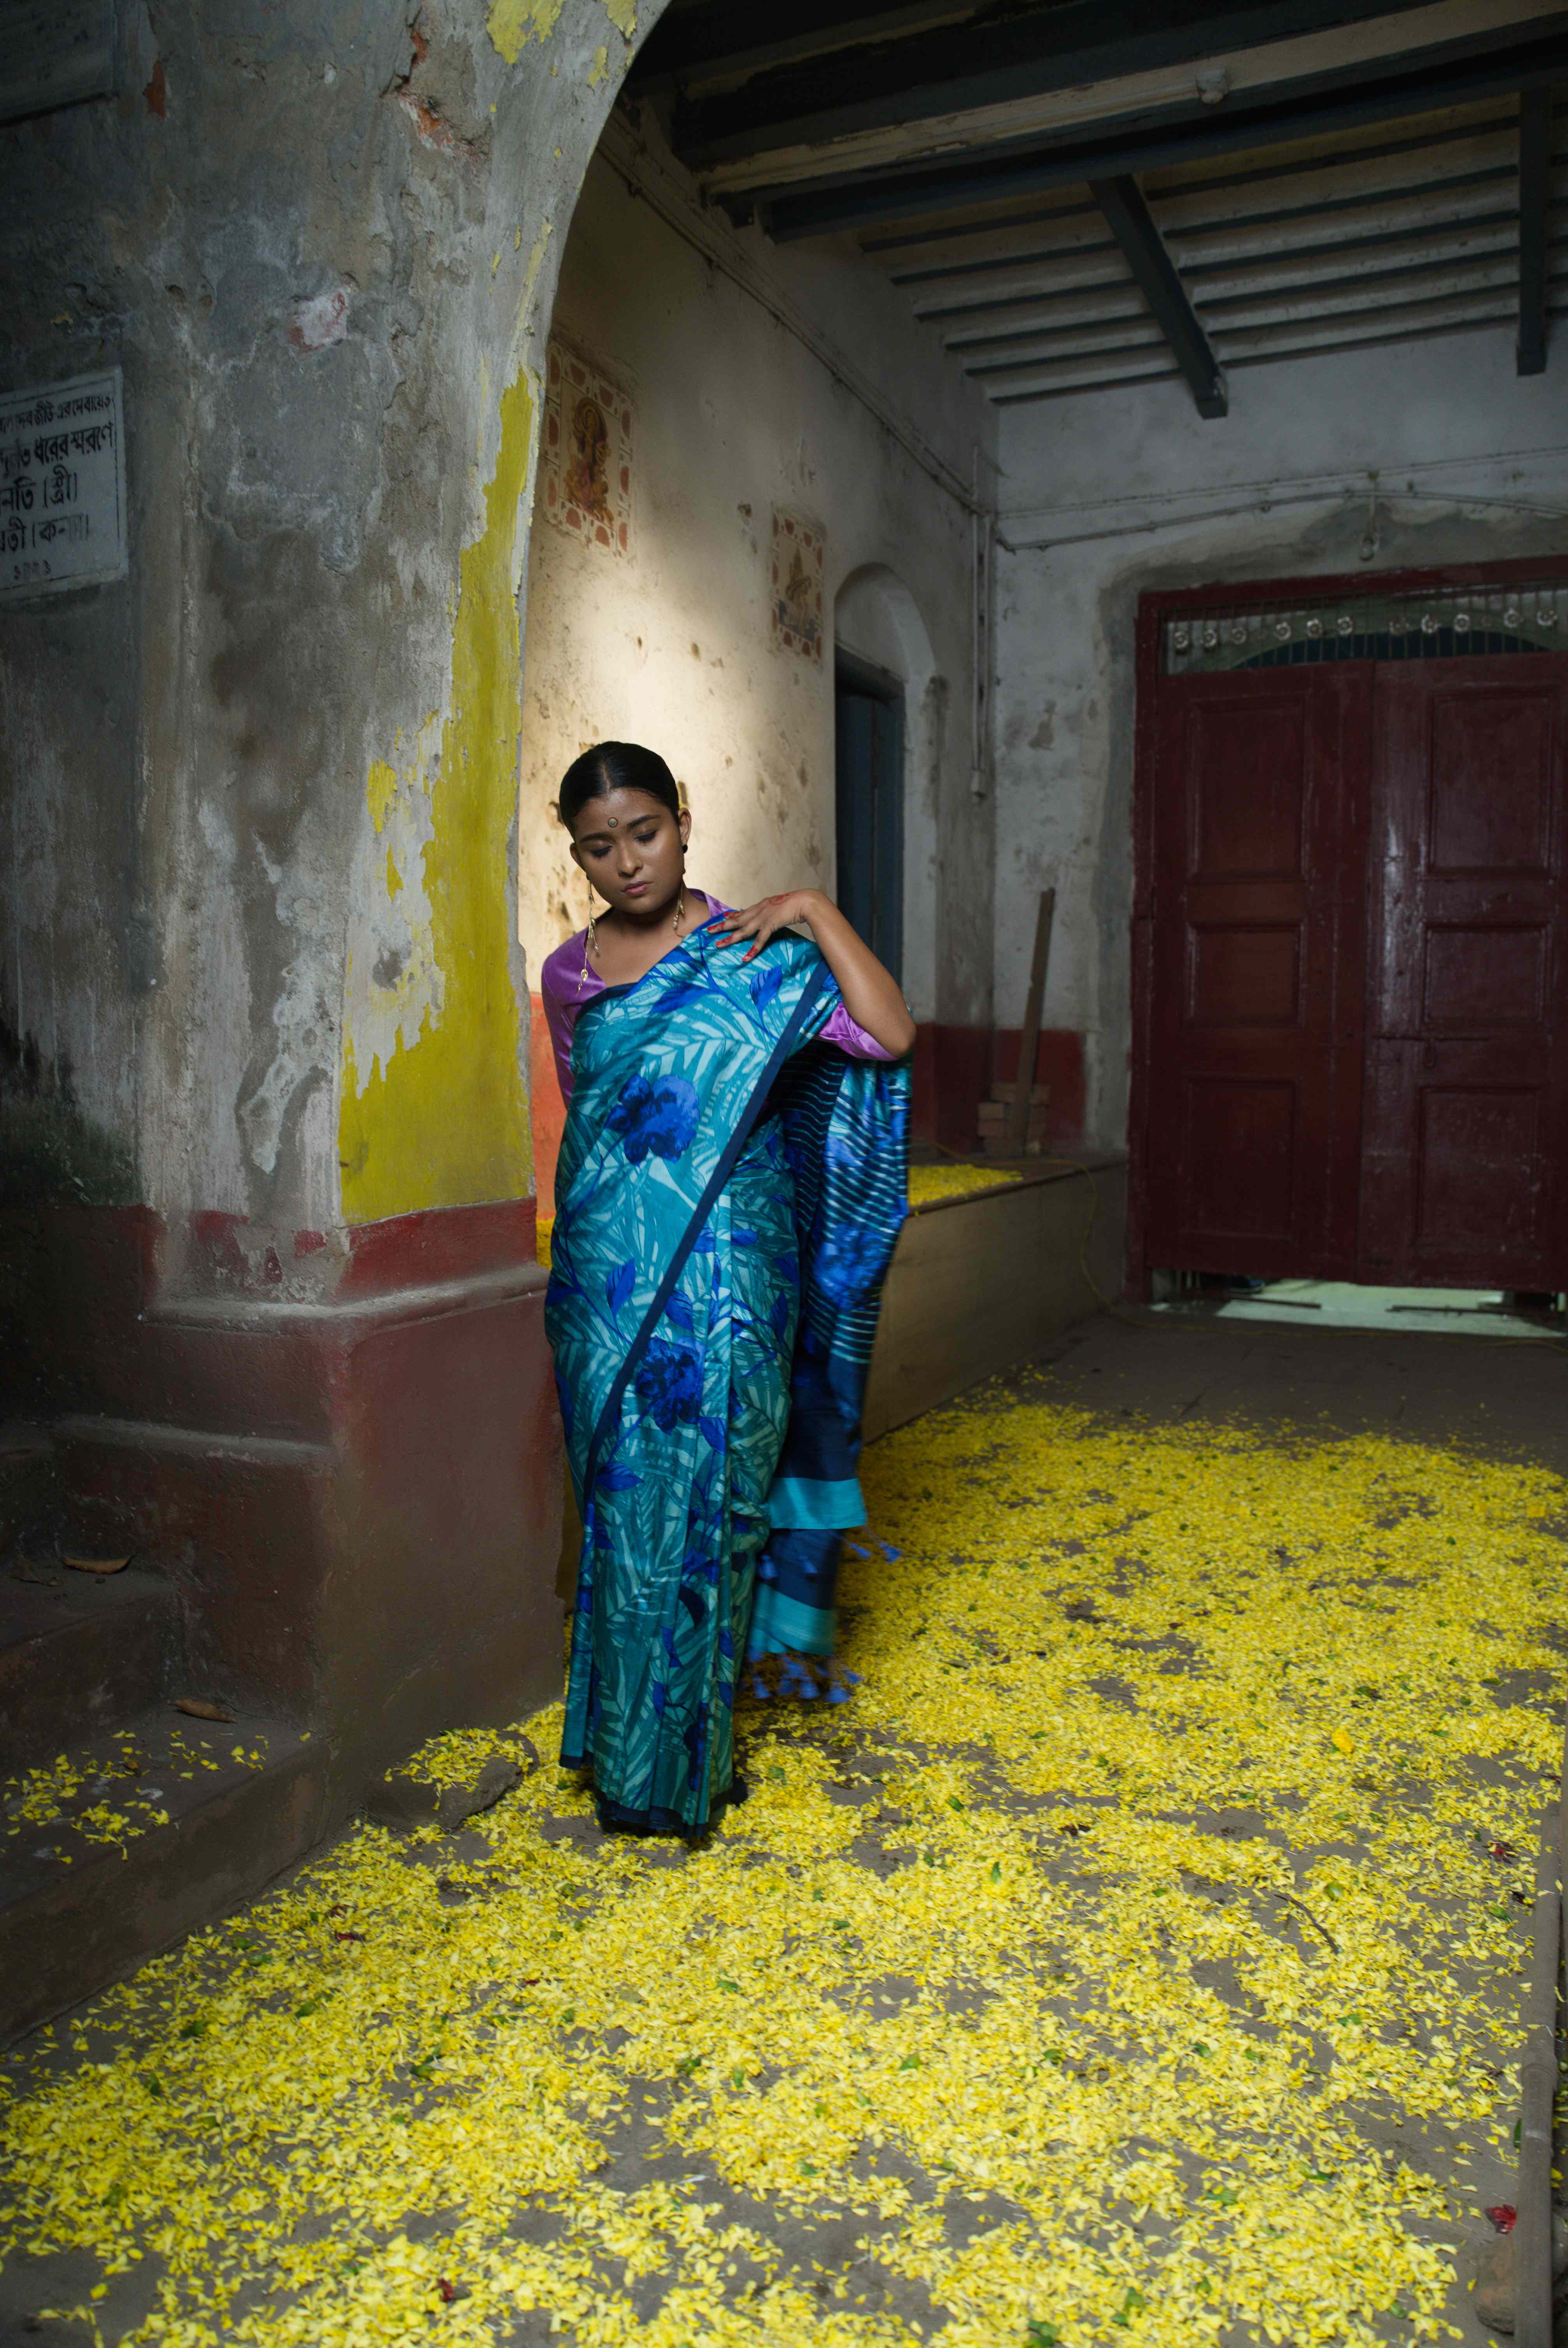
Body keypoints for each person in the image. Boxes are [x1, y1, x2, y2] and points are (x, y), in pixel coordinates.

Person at [540, 741, 913, 1839]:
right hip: (608, 1282)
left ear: (685, 821)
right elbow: (595, 1126)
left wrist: (813, 910)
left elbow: (889, 1034)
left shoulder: (760, 955)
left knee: (717, 1511)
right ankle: (624, 1746)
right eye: (600, 848)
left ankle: (687, 1758)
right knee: (624, 1511)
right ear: (580, 857)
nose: (628, 864)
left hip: (736, 1275)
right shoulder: (568, 976)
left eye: (645, 833)